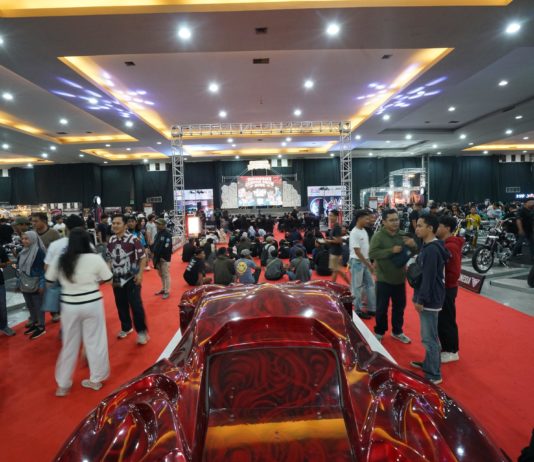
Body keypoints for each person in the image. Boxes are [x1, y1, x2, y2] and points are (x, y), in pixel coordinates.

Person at [45, 228, 113, 396]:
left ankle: (63, 385)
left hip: (69, 305)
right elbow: (109, 279)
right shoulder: (95, 258)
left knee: (69, 343)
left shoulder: (61, 259)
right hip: (92, 303)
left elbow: (48, 280)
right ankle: (96, 379)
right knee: (95, 341)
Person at [410, 214, 449, 385]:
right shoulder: (429, 246)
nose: (416, 228)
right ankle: (428, 364)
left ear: (430, 228)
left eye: (420, 225)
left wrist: (421, 299)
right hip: (430, 297)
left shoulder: (432, 250)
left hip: (430, 300)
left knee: (429, 338)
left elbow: (429, 278)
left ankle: (434, 374)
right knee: (428, 335)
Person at [369, 209, 418, 344]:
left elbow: (413, 251)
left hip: (400, 279)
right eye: (391, 220)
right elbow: (372, 253)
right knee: (381, 308)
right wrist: (391, 250)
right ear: (384, 222)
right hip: (383, 279)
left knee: (399, 307)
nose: (395, 222)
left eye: (396, 219)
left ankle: (397, 331)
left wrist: (413, 245)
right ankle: (379, 332)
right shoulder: (378, 236)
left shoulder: (403, 235)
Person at [107, 214, 149, 345]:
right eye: (113, 223)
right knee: (120, 304)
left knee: (136, 305)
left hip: (132, 277)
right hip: (117, 278)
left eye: (118, 223)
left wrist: (140, 274)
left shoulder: (133, 239)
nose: (115, 225)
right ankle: (126, 327)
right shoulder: (111, 240)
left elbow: (142, 257)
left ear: (125, 225)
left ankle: (142, 332)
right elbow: (109, 259)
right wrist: (109, 275)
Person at [437, 216, 463, 363]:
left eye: (439, 225)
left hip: (447, 288)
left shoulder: (451, 246)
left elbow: (454, 271)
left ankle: (452, 351)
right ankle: (446, 347)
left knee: (447, 319)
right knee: (443, 319)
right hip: (445, 287)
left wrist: (443, 283)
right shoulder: (445, 244)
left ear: (447, 228)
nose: (436, 228)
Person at [18, 231, 47, 339]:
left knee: (38, 306)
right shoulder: (23, 251)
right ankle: (35, 323)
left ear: (33, 239)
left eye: (27, 238)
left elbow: (43, 270)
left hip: (35, 282)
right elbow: (20, 268)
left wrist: (42, 285)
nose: (24, 241)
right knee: (30, 305)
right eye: (23, 238)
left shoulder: (39, 252)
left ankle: (41, 327)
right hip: (25, 283)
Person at [349, 210, 376, 320]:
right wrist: (368, 264)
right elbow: (357, 251)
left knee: (370, 284)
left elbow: (366, 248)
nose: (368, 220)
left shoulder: (364, 231)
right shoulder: (354, 232)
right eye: (366, 218)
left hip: (365, 261)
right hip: (357, 262)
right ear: (359, 218)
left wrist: (369, 261)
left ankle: (372, 308)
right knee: (357, 287)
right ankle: (358, 310)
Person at [325, 210, 350, 284]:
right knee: (337, 270)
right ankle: (350, 284)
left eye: (331, 215)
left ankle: (332, 286)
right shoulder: (335, 226)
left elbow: (339, 241)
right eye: (329, 215)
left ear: (336, 216)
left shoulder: (337, 227)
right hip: (335, 251)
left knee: (336, 270)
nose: (330, 217)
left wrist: (328, 241)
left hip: (336, 252)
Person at [152, 218, 172, 299]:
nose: (157, 225)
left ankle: (167, 291)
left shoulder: (167, 234)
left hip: (164, 258)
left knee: (165, 274)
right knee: (161, 274)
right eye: (157, 223)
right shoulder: (158, 234)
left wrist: (163, 257)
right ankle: (163, 289)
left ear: (163, 225)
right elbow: (155, 245)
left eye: (159, 224)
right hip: (157, 257)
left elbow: (167, 247)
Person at [0, 245, 15, 336]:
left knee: (2, 306)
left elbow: (6, 262)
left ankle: (4, 326)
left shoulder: (0, 248)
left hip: (0, 282)